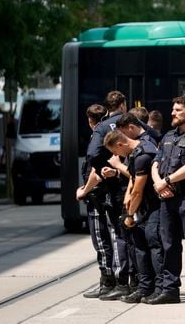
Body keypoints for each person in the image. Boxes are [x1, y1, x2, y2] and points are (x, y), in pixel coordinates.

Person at [148, 96, 185, 305]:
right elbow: (155, 163)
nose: (173, 113)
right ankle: (170, 289)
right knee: (168, 244)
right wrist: (158, 184)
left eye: (178, 110)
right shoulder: (168, 136)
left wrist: (166, 181)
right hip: (166, 198)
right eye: (173, 109)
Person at [102, 128, 161, 303]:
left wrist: (129, 214)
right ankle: (144, 287)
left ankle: (157, 288)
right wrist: (127, 198)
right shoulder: (136, 153)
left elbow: (138, 191)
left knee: (152, 247)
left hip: (152, 206)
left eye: (115, 151)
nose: (116, 155)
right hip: (143, 207)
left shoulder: (142, 155)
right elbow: (132, 180)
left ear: (120, 144)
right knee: (139, 248)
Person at [83, 91, 131, 300]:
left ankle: (112, 282)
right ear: (122, 105)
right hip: (122, 187)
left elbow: (93, 157)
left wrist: (87, 188)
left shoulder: (101, 129)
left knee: (107, 237)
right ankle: (122, 281)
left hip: (104, 192)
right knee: (118, 235)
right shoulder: (130, 124)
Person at [77, 103, 115, 299]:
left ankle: (107, 282)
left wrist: (84, 190)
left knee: (101, 241)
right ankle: (114, 280)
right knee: (112, 239)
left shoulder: (98, 140)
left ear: (90, 121)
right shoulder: (109, 135)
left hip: (98, 197)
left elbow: (95, 171)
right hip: (106, 195)